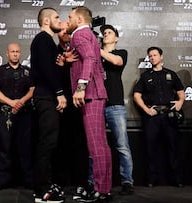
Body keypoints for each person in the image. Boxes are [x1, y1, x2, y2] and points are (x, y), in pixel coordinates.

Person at [66, 6, 112, 202]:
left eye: (69, 18)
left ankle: (101, 191)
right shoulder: (90, 35)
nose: (67, 21)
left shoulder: (79, 34)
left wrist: (81, 87)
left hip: (91, 95)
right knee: (101, 145)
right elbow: (98, 66)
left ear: (78, 19)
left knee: (96, 147)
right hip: (96, 93)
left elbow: (91, 59)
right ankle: (104, 190)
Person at [133, 46, 185, 188]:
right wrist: (146, 109)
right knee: (151, 149)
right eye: (150, 56)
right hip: (152, 117)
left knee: (173, 148)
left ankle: (177, 179)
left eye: (155, 55)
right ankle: (151, 179)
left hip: (169, 115)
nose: (152, 58)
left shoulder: (171, 74)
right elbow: (136, 95)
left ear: (161, 57)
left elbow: (181, 92)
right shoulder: (145, 76)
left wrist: (180, 102)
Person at [30, 7, 67, 203]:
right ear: (46, 21)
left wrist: (60, 65)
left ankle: (46, 183)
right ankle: (41, 191)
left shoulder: (48, 42)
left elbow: (51, 68)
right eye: (56, 17)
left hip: (47, 96)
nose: (60, 21)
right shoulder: (42, 39)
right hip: (46, 97)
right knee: (47, 143)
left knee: (50, 142)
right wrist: (60, 93)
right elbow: (45, 70)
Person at [0, 43, 34, 191]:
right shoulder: (0, 71)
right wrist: (11, 103)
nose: (15, 54)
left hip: (25, 114)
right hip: (6, 114)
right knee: (4, 149)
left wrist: (21, 101)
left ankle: (28, 181)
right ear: (7, 54)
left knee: (25, 148)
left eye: (17, 52)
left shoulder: (27, 71)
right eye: (12, 52)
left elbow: (33, 89)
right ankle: (2, 181)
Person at [53, 21, 89, 188]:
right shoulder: (54, 52)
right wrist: (62, 66)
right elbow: (51, 80)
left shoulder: (80, 49)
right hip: (60, 104)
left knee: (80, 143)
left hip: (78, 103)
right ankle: (59, 181)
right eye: (61, 30)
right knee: (59, 143)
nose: (65, 32)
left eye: (67, 29)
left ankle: (80, 182)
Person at [100, 24, 134, 195]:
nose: (105, 34)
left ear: (116, 38)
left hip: (115, 105)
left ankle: (127, 181)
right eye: (103, 33)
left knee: (122, 145)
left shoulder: (121, 53)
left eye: (109, 32)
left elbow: (116, 61)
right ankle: (95, 182)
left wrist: (95, 49)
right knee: (96, 147)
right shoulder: (95, 55)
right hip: (97, 105)